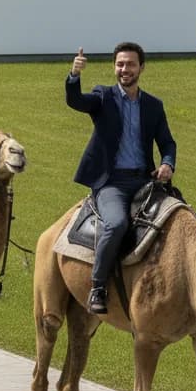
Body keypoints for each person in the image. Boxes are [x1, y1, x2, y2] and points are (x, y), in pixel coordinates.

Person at [66, 41, 176, 315]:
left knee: (183, 217)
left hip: (145, 182)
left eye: (130, 64)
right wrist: (74, 76)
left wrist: (167, 164)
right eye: (120, 64)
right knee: (115, 224)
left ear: (141, 68)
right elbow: (75, 100)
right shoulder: (103, 97)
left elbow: (167, 143)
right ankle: (99, 286)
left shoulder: (153, 105)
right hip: (111, 183)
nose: (124, 69)